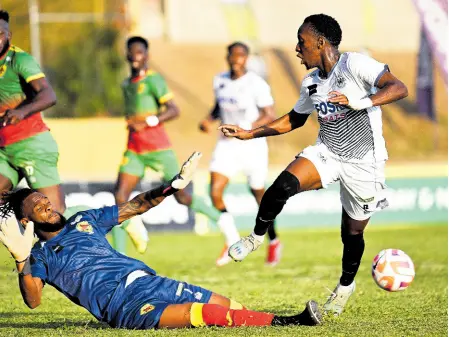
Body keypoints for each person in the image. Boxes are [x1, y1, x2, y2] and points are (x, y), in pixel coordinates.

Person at [0, 152, 322, 330]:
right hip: (124, 306)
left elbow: (136, 205)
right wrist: (21, 258)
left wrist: (171, 186)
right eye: (38, 207)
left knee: (225, 305)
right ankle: (291, 322)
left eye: (46, 200)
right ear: (26, 220)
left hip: (150, 282)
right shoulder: (39, 254)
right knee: (205, 315)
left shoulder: (85, 220)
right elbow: (33, 301)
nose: (48, 206)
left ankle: (263, 323)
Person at [219, 14, 408, 316]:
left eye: (301, 42)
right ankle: (255, 238)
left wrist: (362, 102)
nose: (297, 48)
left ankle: (345, 286)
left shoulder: (355, 65)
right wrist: (250, 133)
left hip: (364, 162)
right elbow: (293, 120)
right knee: (281, 186)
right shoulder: (311, 82)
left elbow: (398, 87)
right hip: (327, 152)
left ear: (320, 42)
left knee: (352, 234)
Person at [113, 36, 232, 256]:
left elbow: (173, 109)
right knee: (120, 197)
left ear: (146, 55)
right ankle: (118, 254)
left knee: (182, 196)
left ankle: (227, 227)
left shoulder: (154, 80)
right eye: (131, 52)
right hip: (134, 150)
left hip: (158, 148)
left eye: (139, 52)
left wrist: (148, 121)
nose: (135, 56)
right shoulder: (126, 84)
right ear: (127, 55)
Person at [199, 42, 281, 267]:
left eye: (241, 56)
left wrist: (246, 129)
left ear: (247, 59)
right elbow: (219, 105)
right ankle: (232, 240)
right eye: (233, 55)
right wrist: (209, 119)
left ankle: (273, 240)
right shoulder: (220, 80)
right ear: (227, 57)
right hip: (226, 145)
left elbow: (269, 114)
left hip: (252, 144)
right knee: (214, 191)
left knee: (258, 195)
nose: (237, 59)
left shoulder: (256, 84)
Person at [0, 10, 66, 215]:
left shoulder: (20, 60)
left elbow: (49, 95)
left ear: (8, 36)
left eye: (0, 34)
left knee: (54, 216)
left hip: (32, 145)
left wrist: (21, 111)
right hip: (4, 150)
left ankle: (87, 215)